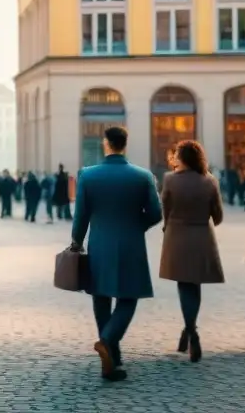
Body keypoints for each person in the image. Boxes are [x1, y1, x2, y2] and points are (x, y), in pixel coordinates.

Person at [70, 126, 162, 382]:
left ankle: (108, 345)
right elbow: (156, 213)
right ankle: (112, 353)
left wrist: (77, 242)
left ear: (106, 144)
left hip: (99, 244)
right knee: (129, 296)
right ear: (125, 144)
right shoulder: (143, 176)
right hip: (132, 244)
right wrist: (136, 226)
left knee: (101, 297)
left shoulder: (88, 175)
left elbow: (81, 216)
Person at [159, 140, 225, 363]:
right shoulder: (210, 181)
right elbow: (218, 217)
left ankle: (190, 331)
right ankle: (190, 331)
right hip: (201, 237)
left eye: (177, 154)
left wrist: (169, 225)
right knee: (194, 285)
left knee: (183, 284)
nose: (174, 158)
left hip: (176, 237)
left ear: (183, 158)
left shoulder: (169, 180)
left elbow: (164, 210)